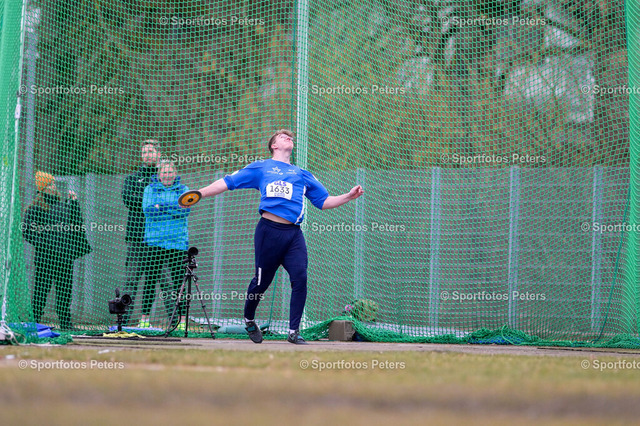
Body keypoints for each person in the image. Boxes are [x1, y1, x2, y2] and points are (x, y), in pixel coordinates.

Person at [193, 129, 364, 344]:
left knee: (300, 278)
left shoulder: (302, 174)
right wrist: (199, 193)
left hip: (293, 235)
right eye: (282, 137)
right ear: (274, 145)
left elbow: (323, 202)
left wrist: (348, 196)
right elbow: (227, 182)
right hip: (268, 232)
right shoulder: (261, 167)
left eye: (290, 137)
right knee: (261, 283)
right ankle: (249, 318)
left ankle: (293, 331)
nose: (288, 138)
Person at [22, 171, 92, 330]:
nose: (54, 186)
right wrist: (44, 245)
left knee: (65, 293)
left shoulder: (64, 205)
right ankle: (35, 323)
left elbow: (77, 225)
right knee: (40, 292)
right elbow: (27, 231)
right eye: (50, 184)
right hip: (45, 259)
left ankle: (65, 324)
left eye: (53, 183)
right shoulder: (35, 208)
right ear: (43, 188)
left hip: (65, 257)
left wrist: (74, 204)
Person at [142, 160, 191, 330]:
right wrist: (173, 207)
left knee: (179, 283)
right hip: (154, 242)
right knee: (150, 281)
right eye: (164, 172)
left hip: (177, 243)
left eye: (170, 172)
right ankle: (144, 319)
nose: (167, 176)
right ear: (159, 174)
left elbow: (184, 210)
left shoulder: (183, 190)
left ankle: (181, 321)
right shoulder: (150, 189)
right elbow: (149, 211)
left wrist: (161, 206)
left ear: (175, 174)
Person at [122, 139, 159, 327]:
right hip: (137, 237)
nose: (147, 155)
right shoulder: (132, 179)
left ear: (158, 154)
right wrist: (151, 202)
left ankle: (174, 322)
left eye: (150, 151)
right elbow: (128, 199)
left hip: (160, 240)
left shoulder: (164, 178)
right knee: (131, 280)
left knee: (166, 282)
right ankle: (123, 321)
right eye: (144, 152)